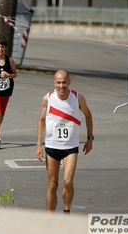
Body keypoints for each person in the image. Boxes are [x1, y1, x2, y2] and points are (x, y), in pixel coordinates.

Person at [36, 69, 93, 213]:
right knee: (52, 184)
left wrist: (90, 139)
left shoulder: (77, 98)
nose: (62, 86)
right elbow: (42, 120)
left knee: (67, 182)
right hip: (52, 146)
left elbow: (88, 116)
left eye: (64, 82)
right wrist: (38, 145)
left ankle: (66, 211)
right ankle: (50, 217)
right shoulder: (47, 99)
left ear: (69, 82)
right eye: (59, 83)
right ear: (54, 83)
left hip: (71, 146)